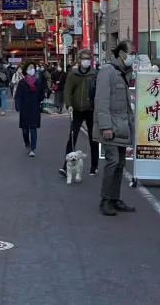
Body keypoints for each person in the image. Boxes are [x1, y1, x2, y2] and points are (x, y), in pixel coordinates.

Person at [93, 40, 136, 217]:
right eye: (131, 52)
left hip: (122, 125)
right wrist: (105, 126)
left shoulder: (123, 72)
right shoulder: (107, 71)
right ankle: (106, 200)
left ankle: (115, 197)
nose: (133, 56)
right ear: (122, 54)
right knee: (112, 162)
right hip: (110, 125)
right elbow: (101, 100)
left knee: (120, 163)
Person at [59, 49, 99, 177]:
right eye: (84, 59)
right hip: (76, 110)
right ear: (80, 60)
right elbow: (67, 91)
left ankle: (94, 166)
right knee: (72, 137)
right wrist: (69, 105)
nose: (86, 61)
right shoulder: (73, 74)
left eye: (88, 59)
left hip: (90, 110)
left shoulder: (95, 74)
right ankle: (66, 166)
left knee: (93, 139)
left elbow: (99, 92)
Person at [14, 61, 45, 157]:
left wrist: (42, 99)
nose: (31, 69)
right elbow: (18, 95)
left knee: (33, 128)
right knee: (25, 130)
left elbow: (41, 94)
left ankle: (33, 148)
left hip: (35, 107)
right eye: (29, 68)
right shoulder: (22, 83)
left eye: (33, 67)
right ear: (26, 70)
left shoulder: (38, 82)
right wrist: (18, 105)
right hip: (24, 108)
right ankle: (27, 143)